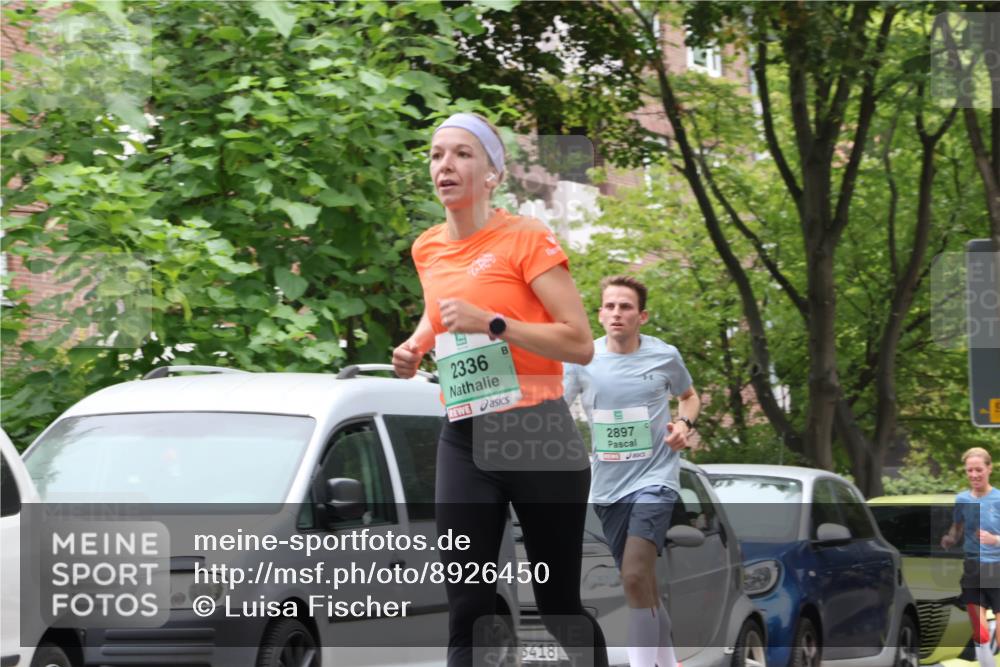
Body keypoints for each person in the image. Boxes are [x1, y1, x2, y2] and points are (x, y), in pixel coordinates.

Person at [392, 112, 608, 667]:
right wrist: (415, 345)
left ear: (493, 175)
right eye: (437, 154)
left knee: (557, 607)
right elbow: (440, 308)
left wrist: (493, 323)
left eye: (462, 154)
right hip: (464, 437)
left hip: (537, 434)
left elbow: (580, 343)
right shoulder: (427, 248)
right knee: (468, 607)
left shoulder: (526, 238)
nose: (445, 165)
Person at [563, 275, 701, 667]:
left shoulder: (664, 356)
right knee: (645, 586)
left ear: (642, 316)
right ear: (600, 314)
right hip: (608, 488)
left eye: (625, 307)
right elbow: (556, 410)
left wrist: (683, 424)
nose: (617, 313)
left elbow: (689, 397)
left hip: (655, 480)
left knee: (634, 577)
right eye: (610, 306)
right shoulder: (582, 360)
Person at [941, 447, 1000, 667]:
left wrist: (995, 540)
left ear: (989, 469)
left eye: (979, 470)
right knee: (979, 631)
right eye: (969, 470)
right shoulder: (962, 499)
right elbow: (957, 527)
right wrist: (950, 538)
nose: (974, 475)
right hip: (973, 568)